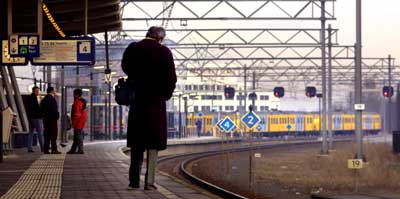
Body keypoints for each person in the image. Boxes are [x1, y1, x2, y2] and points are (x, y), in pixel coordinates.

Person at [122, 26, 177, 190]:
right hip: (155, 104)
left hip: (137, 102)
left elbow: (126, 68)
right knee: (153, 145)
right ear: (160, 38)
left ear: (147, 34)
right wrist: (164, 95)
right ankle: (150, 182)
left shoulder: (133, 48)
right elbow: (171, 79)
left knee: (137, 144)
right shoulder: (164, 52)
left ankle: (133, 181)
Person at [40, 87, 60, 154]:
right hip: (52, 120)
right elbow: (54, 110)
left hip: (46, 120)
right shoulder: (52, 99)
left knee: (47, 135)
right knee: (53, 135)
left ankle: (46, 150)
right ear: (52, 91)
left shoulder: (44, 99)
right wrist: (57, 116)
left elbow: (41, 110)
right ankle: (54, 150)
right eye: (54, 90)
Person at [67, 89, 88, 154]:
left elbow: (77, 114)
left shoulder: (78, 102)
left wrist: (73, 123)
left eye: (74, 94)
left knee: (78, 136)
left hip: (78, 122)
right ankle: (73, 150)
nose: (73, 95)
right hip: (81, 121)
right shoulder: (82, 102)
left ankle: (80, 150)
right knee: (76, 137)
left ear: (77, 94)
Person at [26, 86, 44, 152]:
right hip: (36, 118)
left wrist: (29, 118)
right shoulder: (34, 98)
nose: (38, 92)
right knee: (40, 132)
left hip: (31, 118)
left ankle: (29, 148)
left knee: (31, 132)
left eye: (38, 91)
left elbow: (28, 109)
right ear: (33, 91)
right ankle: (43, 147)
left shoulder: (30, 98)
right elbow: (37, 109)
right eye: (36, 91)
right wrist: (41, 115)